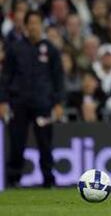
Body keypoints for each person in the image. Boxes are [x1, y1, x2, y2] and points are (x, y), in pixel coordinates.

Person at [0, 11, 64, 188]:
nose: (34, 26)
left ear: (42, 25)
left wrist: (59, 102)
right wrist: (3, 101)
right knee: (17, 142)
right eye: (31, 23)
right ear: (26, 26)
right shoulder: (15, 49)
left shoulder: (50, 49)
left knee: (45, 143)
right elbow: (5, 77)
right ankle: (13, 179)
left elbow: (58, 78)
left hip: (43, 103)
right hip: (18, 102)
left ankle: (48, 180)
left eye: (37, 22)